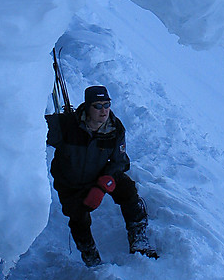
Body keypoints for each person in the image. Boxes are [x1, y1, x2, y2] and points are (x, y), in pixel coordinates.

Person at [45, 85, 157, 266]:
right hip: (70, 183)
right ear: (88, 107)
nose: (103, 110)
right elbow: (32, 127)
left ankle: (139, 237)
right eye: (97, 106)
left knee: (127, 189)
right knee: (78, 219)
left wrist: (104, 184)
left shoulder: (115, 129)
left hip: (99, 176)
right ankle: (91, 258)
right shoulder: (66, 125)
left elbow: (120, 162)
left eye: (107, 104)